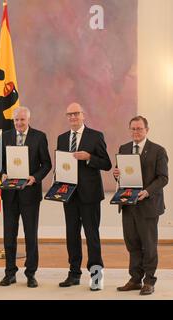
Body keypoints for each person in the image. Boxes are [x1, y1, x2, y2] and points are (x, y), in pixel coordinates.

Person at [57, 103, 112, 291]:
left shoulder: (96, 136)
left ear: (83, 115)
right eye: (69, 114)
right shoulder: (62, 138)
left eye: (76, 114)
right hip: (69, 195)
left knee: (92, 236)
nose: (73, 117)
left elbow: (106, 164)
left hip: (90, 196)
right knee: (71, 236)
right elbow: (62, 164)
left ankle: (96, 277)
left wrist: (89, 157)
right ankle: (74, 274)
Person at [113, 116, 168, 295]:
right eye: (133, 129)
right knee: (132, 243)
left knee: (149, 244)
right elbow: (121, 174)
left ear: (147, 130)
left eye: (139, 129)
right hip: (128, 204)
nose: (136, 132)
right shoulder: (124, 148)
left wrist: (148, 191)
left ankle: (149, 281)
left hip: (148, 205)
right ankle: (135, 279)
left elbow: (163, 178)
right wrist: (116, 174)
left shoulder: (158, 151)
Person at [0, 107, 52, 288]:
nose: (19, 123)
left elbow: (46, 164)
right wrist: (3, 174)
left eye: (22, 120)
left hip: (30, 194)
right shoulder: (5, 136)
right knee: (9, 235)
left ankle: (31, 274)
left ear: (28, 119)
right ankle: (9, 273)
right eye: (16, 120)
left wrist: (34, 178)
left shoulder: (39, 136)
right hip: (9, 195)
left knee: (30, 235)